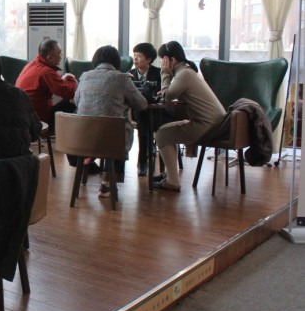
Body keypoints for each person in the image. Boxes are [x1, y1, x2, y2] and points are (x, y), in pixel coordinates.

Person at [74, 45, 148, 198]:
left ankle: (91, 163)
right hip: (112, 140)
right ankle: (107, 182)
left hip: (83, 139)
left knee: (110, 127)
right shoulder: (122, 78)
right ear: (116, 62)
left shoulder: (84, 76)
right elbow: (142, 104)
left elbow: (76, 101)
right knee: (118, 128)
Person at [154, 41, 226, 191]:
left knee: (162, 134)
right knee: (166, 131)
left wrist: (165, 73)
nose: (162, 64)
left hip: (207, 125)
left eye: (163, 60)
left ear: (172, 60)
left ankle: (173, 181)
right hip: (216, 122)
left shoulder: (184, 74)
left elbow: (167, 97)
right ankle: (170, 175)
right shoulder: (188, 71)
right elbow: (172, 93)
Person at [15, 39, 77, 128]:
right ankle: (68, 134)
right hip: (40, 119)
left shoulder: (31, 65)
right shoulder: (46, 72)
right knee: (73, 101)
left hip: (24, 116)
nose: (62, 55)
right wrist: (71, 78)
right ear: (49, 58)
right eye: (59, 53)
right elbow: (71, 93)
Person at [129, 42, 162, 176]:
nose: (135, 59)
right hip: (138, 112)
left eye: (139, 56)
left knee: (144, 117)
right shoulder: (130, 75)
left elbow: (160, 94)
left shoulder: (158, 73)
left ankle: (143, 160)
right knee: (142, 115)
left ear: (149, 59)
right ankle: (147, 152)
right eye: (134, 56)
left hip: (157, 112)